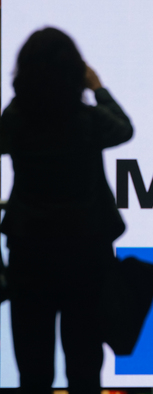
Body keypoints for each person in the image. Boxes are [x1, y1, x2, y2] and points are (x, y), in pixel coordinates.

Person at [0, 27, 133, 394]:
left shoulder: (14, 121)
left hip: (30, 255)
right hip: (86, 255)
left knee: (33, 369)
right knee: (85, 367)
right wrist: (98, 88)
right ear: (76, 71)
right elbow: (124, 129)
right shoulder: (89, 121)